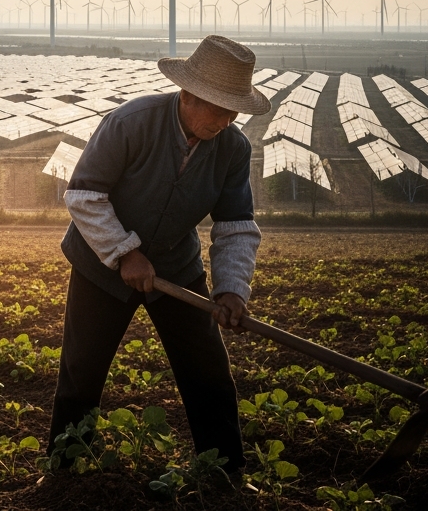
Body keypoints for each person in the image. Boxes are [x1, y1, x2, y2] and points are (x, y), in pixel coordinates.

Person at [49, 34, 271, 472]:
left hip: (176, 267)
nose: (226, 120)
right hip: (99, 266)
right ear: (188, 95)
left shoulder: (232, 148)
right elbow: (84, 195)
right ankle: (64, 473)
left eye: (234, 111)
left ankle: (223, 474)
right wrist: (124, 253)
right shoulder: (131, 122)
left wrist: (231, 289)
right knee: (82, 373)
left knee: (208, 372)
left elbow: (235, 226)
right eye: (219, 108)